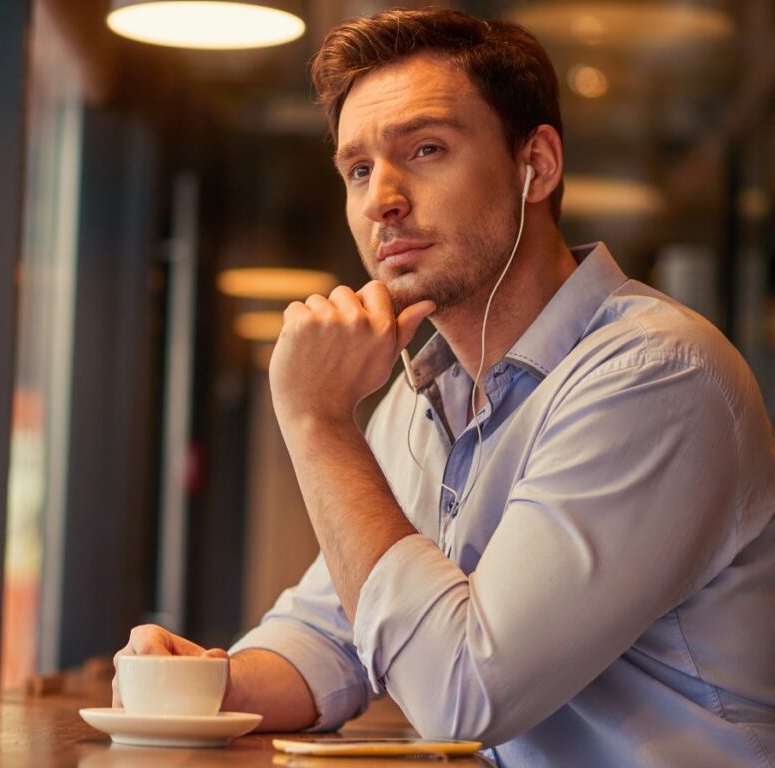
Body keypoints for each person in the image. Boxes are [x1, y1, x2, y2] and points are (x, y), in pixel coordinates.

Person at [114, 8, 775, 765]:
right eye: (357, 169)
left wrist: (318, 423)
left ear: (539, 165)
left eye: (425, 149)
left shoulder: (653, 377)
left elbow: (464, 696)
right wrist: (203, 684)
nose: (380, 200)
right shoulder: (423, 392)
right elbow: (336, 632)